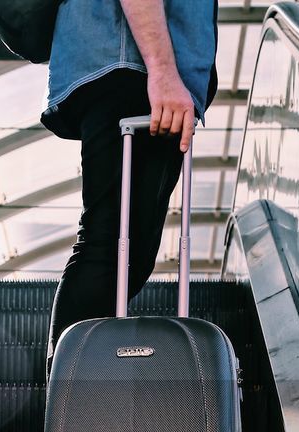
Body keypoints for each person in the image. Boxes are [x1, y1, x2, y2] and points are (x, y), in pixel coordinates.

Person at [41, 0, 217, 362]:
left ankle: (73, 399)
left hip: (129, 65)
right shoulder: (146, 71)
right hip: (131, 65)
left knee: (126, 255)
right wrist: (162, 69)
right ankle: (69, 405)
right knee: (110, 251)